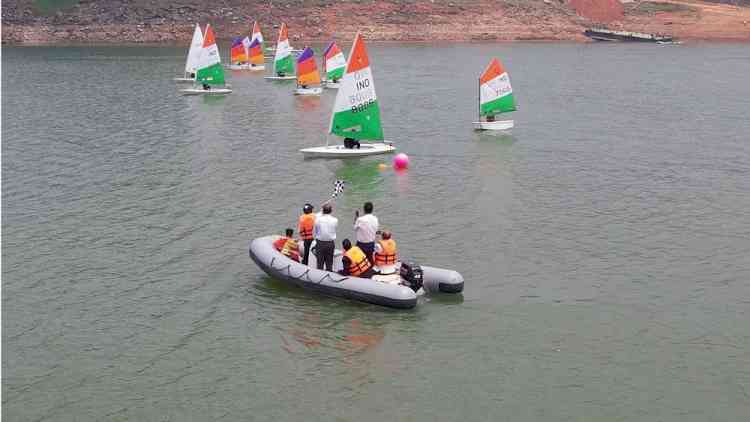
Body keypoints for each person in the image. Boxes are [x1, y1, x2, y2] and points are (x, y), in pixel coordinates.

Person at [313, 203, 337, 271]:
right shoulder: (335, 220)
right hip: (330, 243)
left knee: (320, 263)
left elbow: (315, 229)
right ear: (331, 211)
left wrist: (321, 210)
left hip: (320, 243)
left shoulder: (318, 220)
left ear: (323, 211)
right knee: (329, 263)